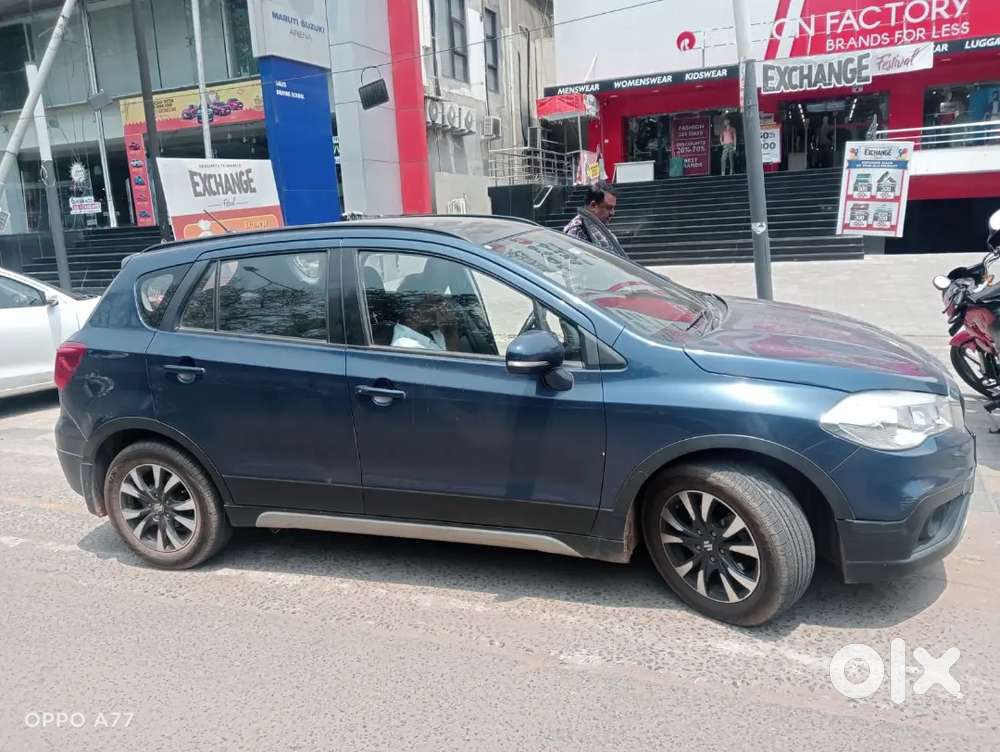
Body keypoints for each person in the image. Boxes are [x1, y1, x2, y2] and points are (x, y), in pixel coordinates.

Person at [563, 184, 627, 258]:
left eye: (613, 208)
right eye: (608, 208)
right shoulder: (577, 230)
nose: (612, 213)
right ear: (593, 205)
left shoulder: (598, 226)